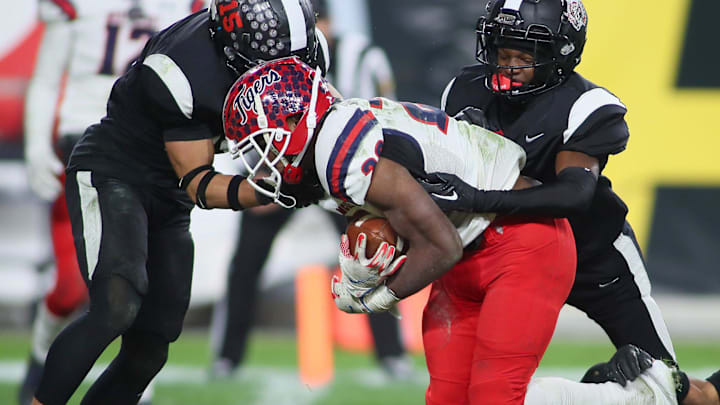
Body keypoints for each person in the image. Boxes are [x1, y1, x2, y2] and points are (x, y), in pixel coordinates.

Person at [218, 56, 689, 405]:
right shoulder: (333, 143)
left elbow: (438, 245)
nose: (261, 159)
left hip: (521, 243)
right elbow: (418, 223)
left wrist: (379, 295)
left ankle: (634, 398)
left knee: (494, 396)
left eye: (261, 142)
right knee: (446, 400)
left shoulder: (341, 154)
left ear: (293, 125)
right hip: (470, 252)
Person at [29, 1, 327, 404]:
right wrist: (269, 191)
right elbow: (199, 184)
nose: (281, 72)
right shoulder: (182, 69)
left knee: (153, 342)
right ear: (230, 42)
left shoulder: (306, 51)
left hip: (168, 190)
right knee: (116, 305)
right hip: (116, 173)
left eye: (291, 59)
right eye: (266, 61)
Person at [427, 0, 720, 404]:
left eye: (524, 55)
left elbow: (574, 194)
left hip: (592, 257)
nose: (508, 65)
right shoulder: (463, 90)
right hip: (504, 260)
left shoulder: (584, 105)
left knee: (665, 390)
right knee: (473, 390)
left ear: (558, 56)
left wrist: (478, 197)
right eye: (502, 51)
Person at [208, 0, 409, 380]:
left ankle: (391, 355)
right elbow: (246, 121)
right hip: (282, 171)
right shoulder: (263, 57)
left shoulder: (361, 56)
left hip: (343, 176)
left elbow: (384, 119)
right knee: (246, 264)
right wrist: (255, 177)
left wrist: (366, 184)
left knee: (371, 253)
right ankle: (227, 357)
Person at [20, 0, 206, 404]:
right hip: (92, 145)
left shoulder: (189, 9)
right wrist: (36, 145)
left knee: (151, 314)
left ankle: (133, 391)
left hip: (157, 155)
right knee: (87, 294)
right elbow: (48, 77)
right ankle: (42, 353)